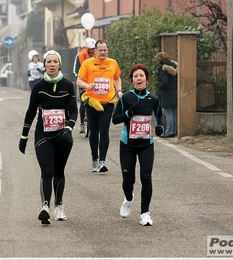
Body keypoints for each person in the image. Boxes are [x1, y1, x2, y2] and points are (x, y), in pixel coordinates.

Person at [18, 50, 78, 224]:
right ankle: (45, 206)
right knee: (47, 171)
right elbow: (30, 112)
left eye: (55, 62)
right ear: (44, 65)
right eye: (49, 62)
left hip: (63, 136)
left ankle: (59, 207)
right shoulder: (38, 87)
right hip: (43, 135)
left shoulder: (67, 85)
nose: (52, 64)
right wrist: (24, 136)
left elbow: (73, 110)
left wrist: (68, 128)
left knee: (59, 172)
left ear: (59, 64)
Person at [112, 63, 164, 226]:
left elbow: (159, 117)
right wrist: (129, 113)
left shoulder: (154, 100)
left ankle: (145, 213)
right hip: (127, 144)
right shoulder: (126, 98)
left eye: (141, 75)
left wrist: (160, 127)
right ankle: (128, 198)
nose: (139, 78)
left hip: (146, 144)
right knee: (129, 180)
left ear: (146, 79)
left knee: (146, 177)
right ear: (132, 80)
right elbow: (115, 119)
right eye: (135, 76)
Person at [76, 39, 122, 173]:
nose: (102, 52)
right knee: (94, 131)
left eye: (104, 50)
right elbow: (79, 81)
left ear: (107, 51)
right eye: (100, 50)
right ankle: (94, 159)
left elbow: (117, 77)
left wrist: (118, 90)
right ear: (95, 51)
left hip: (107, 102)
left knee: (104, 130)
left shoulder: (113, 63)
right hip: (92, 102)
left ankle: (102, 161)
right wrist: (87, 86)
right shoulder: (87, 63)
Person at [73, 37, 96, 134]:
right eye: (90, 49)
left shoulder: (97, 55)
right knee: (82, 103)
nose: (92, 51)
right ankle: (82, 123)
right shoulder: (79, 56)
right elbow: (75, 71)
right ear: (86, 48)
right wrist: (80, 81)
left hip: (94, 84)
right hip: (83, 83)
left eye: (93, 49)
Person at [156, 51, 178, 138]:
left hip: (167, 93)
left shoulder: (163, 70)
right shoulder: (173, 66)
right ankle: (173, 130)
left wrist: (160, 86)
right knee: (172, 113)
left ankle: (169, 132)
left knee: (168, 113)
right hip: (173, 91)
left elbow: (165, 83)